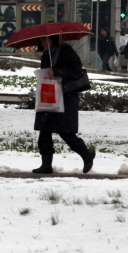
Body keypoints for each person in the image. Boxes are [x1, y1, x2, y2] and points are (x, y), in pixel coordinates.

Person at [33, 34, 96, 174]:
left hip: (66, 97)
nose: (42, 41)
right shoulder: (46, 54)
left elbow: (76, 71)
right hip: (49, 96)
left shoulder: (66, 51)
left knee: (66, 132)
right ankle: (46, 164)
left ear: (53, 38)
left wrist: (56, 71)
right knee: (44, 130)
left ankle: (86, 154)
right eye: (40, 39)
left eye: (44, 38)